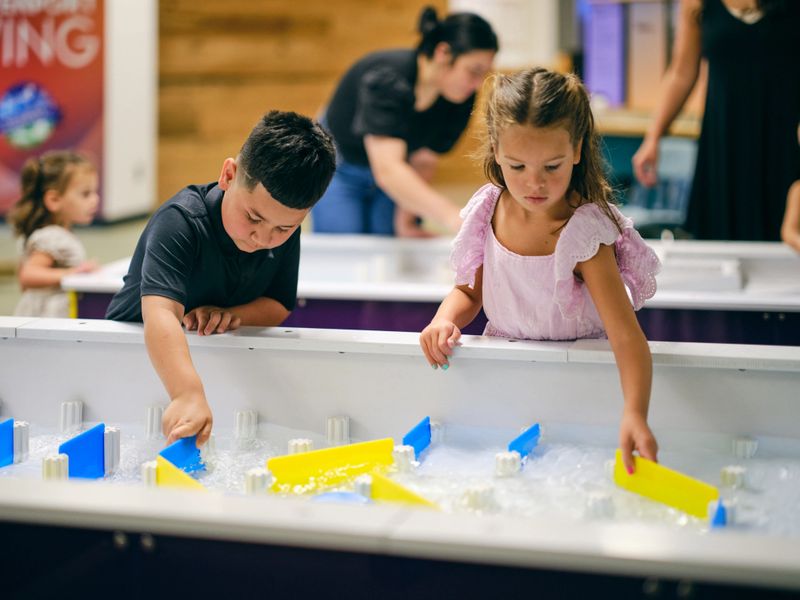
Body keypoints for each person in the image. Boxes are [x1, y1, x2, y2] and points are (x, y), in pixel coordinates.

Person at [419, 68, 661, 473]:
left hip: (579, 380)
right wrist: (443, 321)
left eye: (552, 167)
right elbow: (469, 293)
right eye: (517, 167)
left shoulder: (583, 231)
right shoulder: (487, 211)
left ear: (578, 150)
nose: (535, 184)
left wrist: (635, 412)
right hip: (507, 374)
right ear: (496, 150)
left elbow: (626, 336)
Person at [106, 111, 336, 446]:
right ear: (229, 174)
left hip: (205, 364)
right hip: (131, 360)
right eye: (253, 217)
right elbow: (160, 313)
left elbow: (278, 304)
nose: (263, 237)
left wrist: (232, 315)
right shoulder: (180, 221)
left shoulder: (285, 232)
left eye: (284, 228)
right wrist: (186, 393)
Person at [311, 6, 498, 237]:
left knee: (390, 238)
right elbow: (388, 170)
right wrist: (452, 217)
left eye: (484, 73)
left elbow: (425, 160)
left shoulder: (460, 95)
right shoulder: (388, 78)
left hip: (399, 166)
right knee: (345, 243)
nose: (479, 83)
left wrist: (406, 221)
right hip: (340, 163)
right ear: (443, 53)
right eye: (474, 71)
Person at [632, 0, 800, 241]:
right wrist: (653, 137)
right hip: (723, 146)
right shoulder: (697, 3)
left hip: (785, 145)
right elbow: (682, 72)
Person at [8, 151, 99, 317]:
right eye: (86, 194)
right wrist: (72, 273)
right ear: (54, 200)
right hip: (48, 316)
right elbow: (27, 276)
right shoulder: (52, 238)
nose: (95, 199)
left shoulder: (49, 234)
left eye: (95, 192)